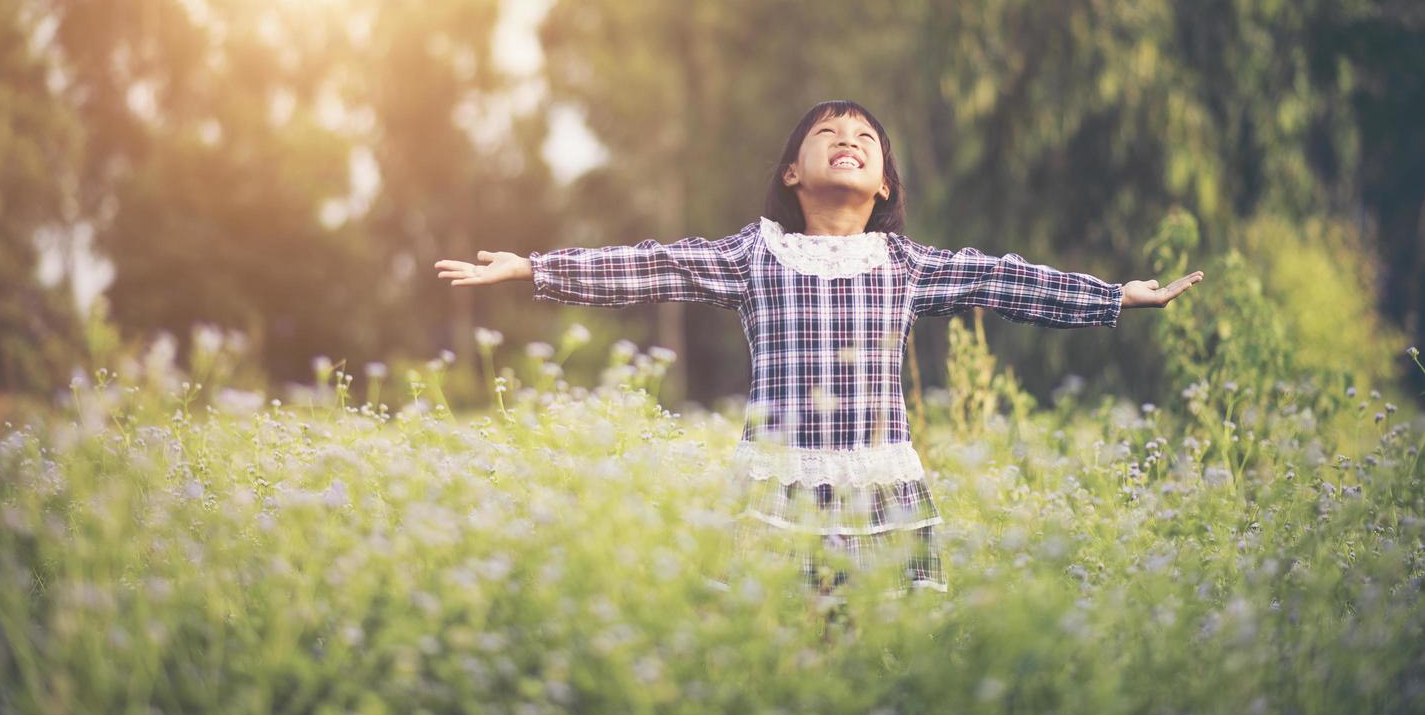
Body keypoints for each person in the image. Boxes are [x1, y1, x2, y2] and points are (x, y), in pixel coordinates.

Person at [434, 100, 1204, 619]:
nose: (848, 140)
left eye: (865, 139)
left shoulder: (903, 263)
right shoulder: (751, 253)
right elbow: (653, 264)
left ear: (884, 183)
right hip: (777, 489)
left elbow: (1003, 277)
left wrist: (1112, 297)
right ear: (791, 174)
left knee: (889, 654)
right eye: (828, 133)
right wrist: (534, 268)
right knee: (776, 647)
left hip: (882, 489)